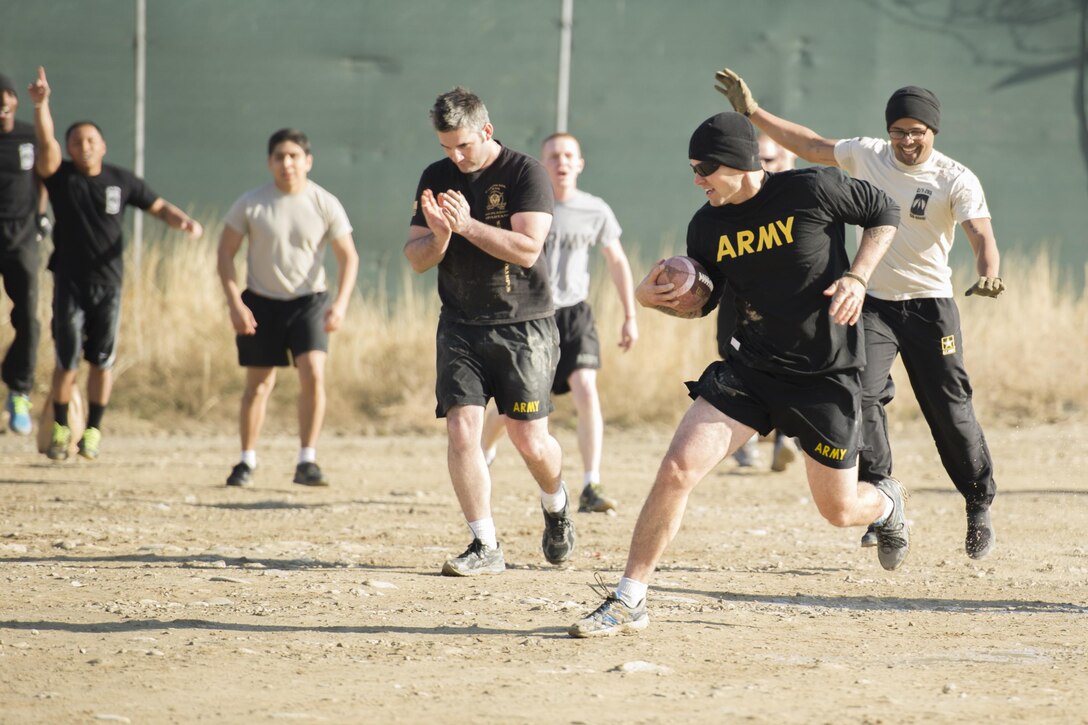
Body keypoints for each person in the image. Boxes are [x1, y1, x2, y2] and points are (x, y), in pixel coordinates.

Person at [569, 111, 905, 638]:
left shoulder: (811, 189)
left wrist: (858, 277)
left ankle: (887, 502)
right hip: (750, 370)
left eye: (706, 168)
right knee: (677, 468)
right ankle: (630, 598)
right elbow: (704, 302)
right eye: (692, 169)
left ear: (741, 163)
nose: (697, 179)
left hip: (824, 375)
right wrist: (650, 298)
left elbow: (885, 212)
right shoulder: (706, 224)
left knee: (839, 510)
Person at [715, 68, 1001, 559]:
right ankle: (883, 497)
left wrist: (989, 270)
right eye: (899, 131)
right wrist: (752, 112)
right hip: (871, 304)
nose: (907, 141)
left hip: (931, 307)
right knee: (860, 396)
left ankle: (977, 501)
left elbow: (980, 233)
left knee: (949, 410)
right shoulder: (868, 153)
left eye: (917, 132)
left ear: (933, 132)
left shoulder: (955, 177)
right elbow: (808, 144)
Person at [404, 87, 575, 577]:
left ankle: (556, 502)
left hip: (524, 327)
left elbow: (527, 250)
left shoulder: (525, 173)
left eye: (464, 146)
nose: (455, 157)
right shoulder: (435, 178)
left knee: (529, 439)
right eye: (445, 148)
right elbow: (416, 258)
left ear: (487, 130)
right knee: (462, 431)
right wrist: (438, 237)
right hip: (459, 322)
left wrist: (467, 225)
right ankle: (485, 544)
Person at [29, 66, 203, 461]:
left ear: (104, 145)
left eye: (91, 140)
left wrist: (184, 223)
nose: (84, 146)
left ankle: (92, 431)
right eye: (76, 141)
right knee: (66, 359)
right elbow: (45, 147)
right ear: (69, 148)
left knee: (102, 361)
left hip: (109, 284)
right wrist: (42, 105)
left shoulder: (121, 180)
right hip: (70, 282)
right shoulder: (61, 176)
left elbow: (157, 206)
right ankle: (60, 428)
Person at [479, 132, 639, 514]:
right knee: (512, 409)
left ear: (580, 164)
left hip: (575, 314)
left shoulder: (596, 209)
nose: (561, 161)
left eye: (569, 155)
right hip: (533, 315)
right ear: (541, 163)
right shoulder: (529, 206)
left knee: (586, 389)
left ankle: (591, 483)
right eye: (553, 155)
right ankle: (483, 450)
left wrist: (630, 315)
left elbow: (616, 260)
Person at [217, 128, 358, 489]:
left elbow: (348, 257)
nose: (287, 163)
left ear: (308, 161)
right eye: (279, 156)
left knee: (312, 372)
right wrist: (235, 303)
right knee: (259, 384)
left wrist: (339, 305)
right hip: (261, 302)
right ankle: (246, 460)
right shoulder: (251, 203)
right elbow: (225, 254)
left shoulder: (324, 202)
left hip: (309, 301)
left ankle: (306, 460)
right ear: (269, 162)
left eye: (294, 156)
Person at [717, 134, 799, 472]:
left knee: (788, 366)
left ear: (787, 161)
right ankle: (746, 440)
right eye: (756, 159)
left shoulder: (799, 197)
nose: (760, 166)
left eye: (768, 159)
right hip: (736, 299)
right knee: (734, 358)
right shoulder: (728, 200)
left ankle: (787, 437)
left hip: (785, 303)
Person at [0, 71, 48, 435]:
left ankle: (19, 389)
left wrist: (42, 216)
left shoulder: (29, 135)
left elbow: (46, 174)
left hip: (22, 235)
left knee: (28, 318)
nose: (2, 101)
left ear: (15, 99)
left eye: (7, 94)